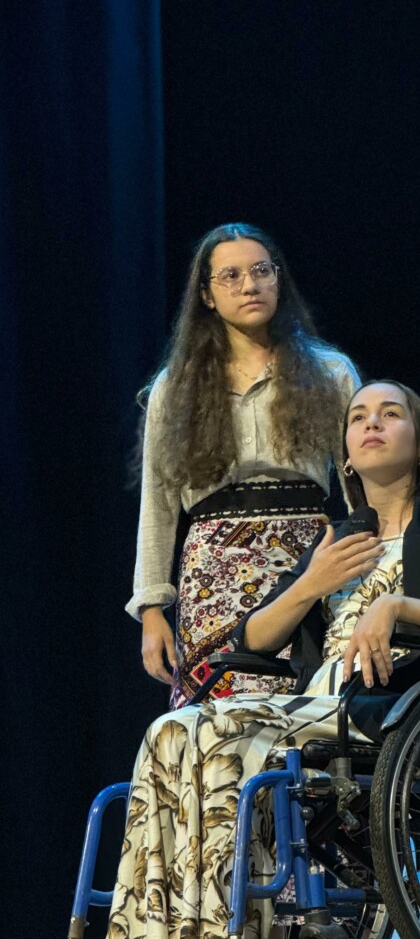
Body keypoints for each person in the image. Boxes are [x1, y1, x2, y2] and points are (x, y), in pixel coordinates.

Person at [27, 381, 420, 939]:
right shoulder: (336, 538)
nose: (371, 424)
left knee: (222, 738)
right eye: (358, 417)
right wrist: (311, 582)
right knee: (171, 729)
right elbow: (253, 637)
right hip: (320, 708)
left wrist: (397, 607)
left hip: (398, 710)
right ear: (345, 455)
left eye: (390, 414)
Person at [130, 222, 359, 709]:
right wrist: (152, 609)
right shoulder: (175, 387)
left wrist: (373, 565)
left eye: (261, 271)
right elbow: (159, 500)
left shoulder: (330, 372)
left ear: (278, 279)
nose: (249, 285)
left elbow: (358, 481)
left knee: (306, 710)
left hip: (305, 559)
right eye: (230, 276)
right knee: (220, 716)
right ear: (207, 295)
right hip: (214, 570)